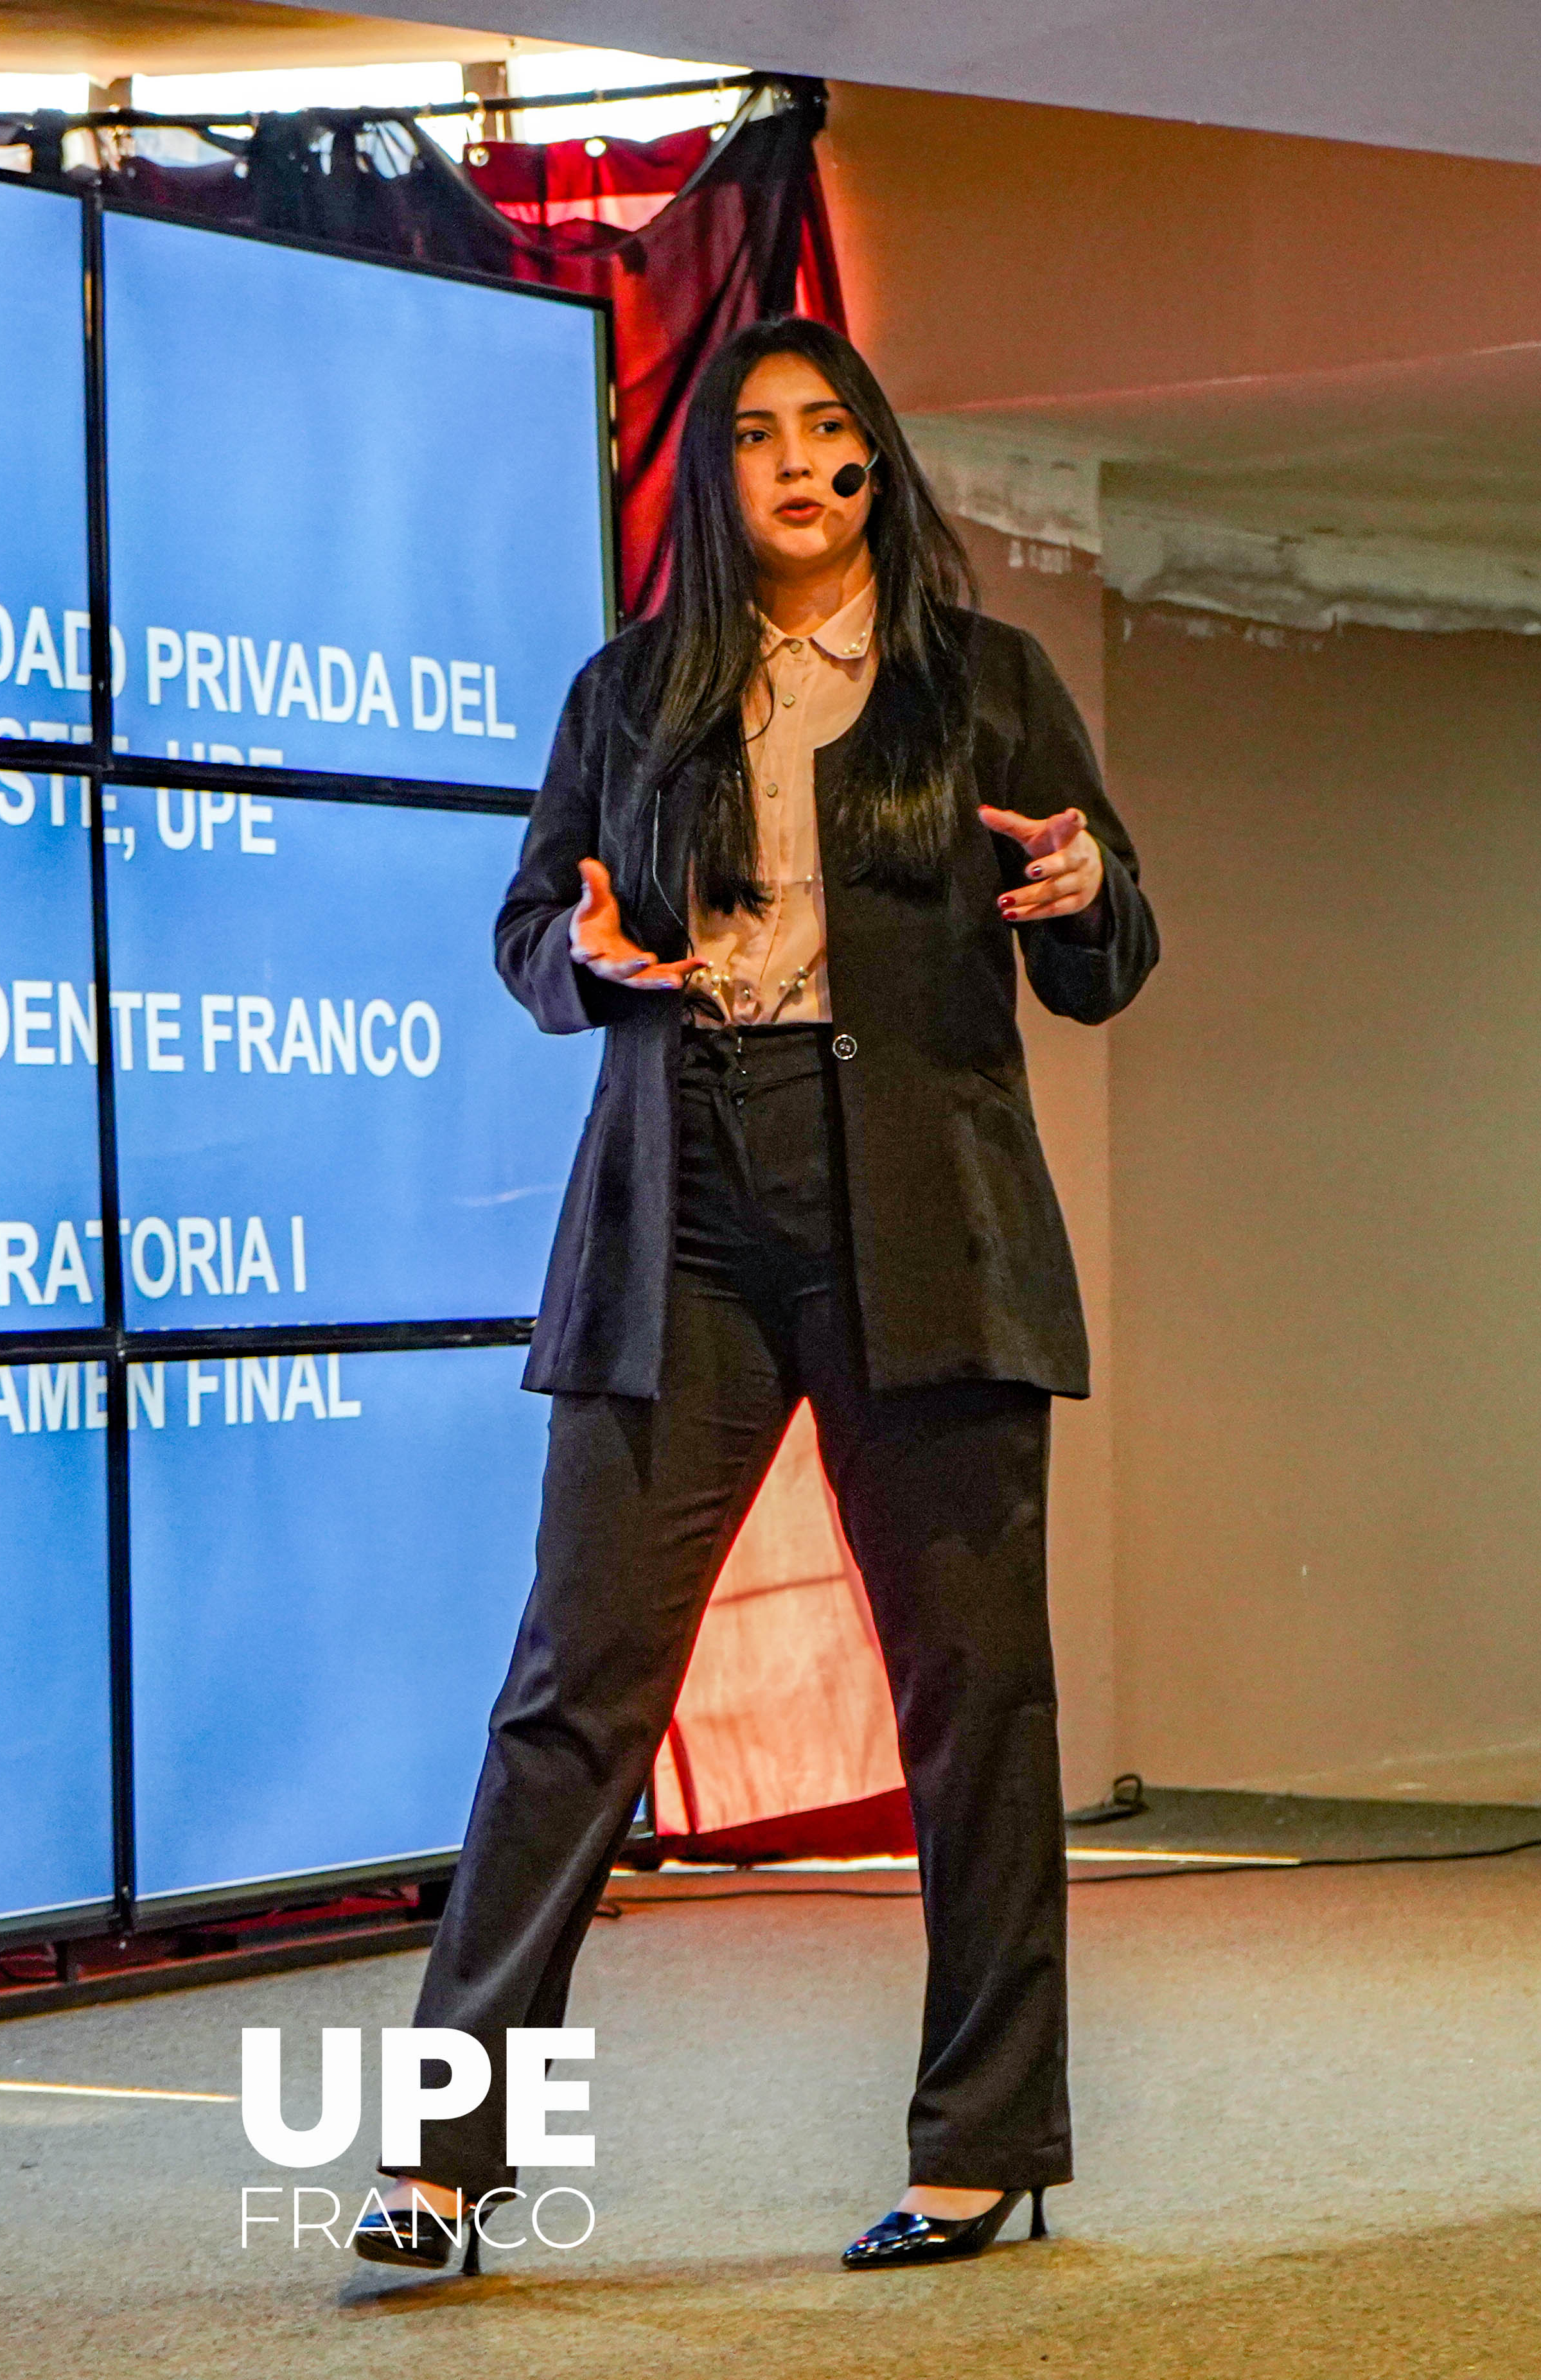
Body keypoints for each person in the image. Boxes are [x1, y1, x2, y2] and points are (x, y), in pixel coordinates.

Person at [350, 316, 1158, 2279]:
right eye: (755, 437)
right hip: (680, 1197)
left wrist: (1076, 893)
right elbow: (532, 927)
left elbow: (1105, 941)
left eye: (830, 435)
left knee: (974, 1701)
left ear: (874, 465)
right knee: (572, 1692)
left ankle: (984, 2140)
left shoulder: (986, 686)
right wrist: (594, 961)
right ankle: (446, 2158)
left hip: (918, 1210)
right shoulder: (629, 691)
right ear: (707, 480)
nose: (797, 465)